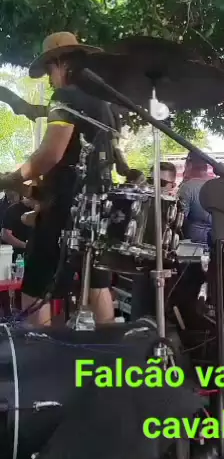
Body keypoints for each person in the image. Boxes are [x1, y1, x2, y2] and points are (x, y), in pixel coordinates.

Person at [0, 32, 138, 328]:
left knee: (35, 286)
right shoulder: (106, 105)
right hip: (97, 208)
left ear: (61, 63)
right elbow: (115, 159)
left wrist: (12, 179)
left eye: (49, 71)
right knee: (97, 284)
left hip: (65, 206)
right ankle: (108, 351)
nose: (50, 80)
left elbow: (50, 154)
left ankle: (40, 352)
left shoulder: (65, 97)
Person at [178, 152, 213, 244]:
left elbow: (180, 219)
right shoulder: (219, 185)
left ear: (189, 165)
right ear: (206, 166)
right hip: (219, 239)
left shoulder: (187, 187)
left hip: (195, 241)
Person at [1, 194, 32, 261]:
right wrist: (26, 245)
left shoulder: (39, 211)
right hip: (16, 257)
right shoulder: (13, 210)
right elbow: (5, 235)